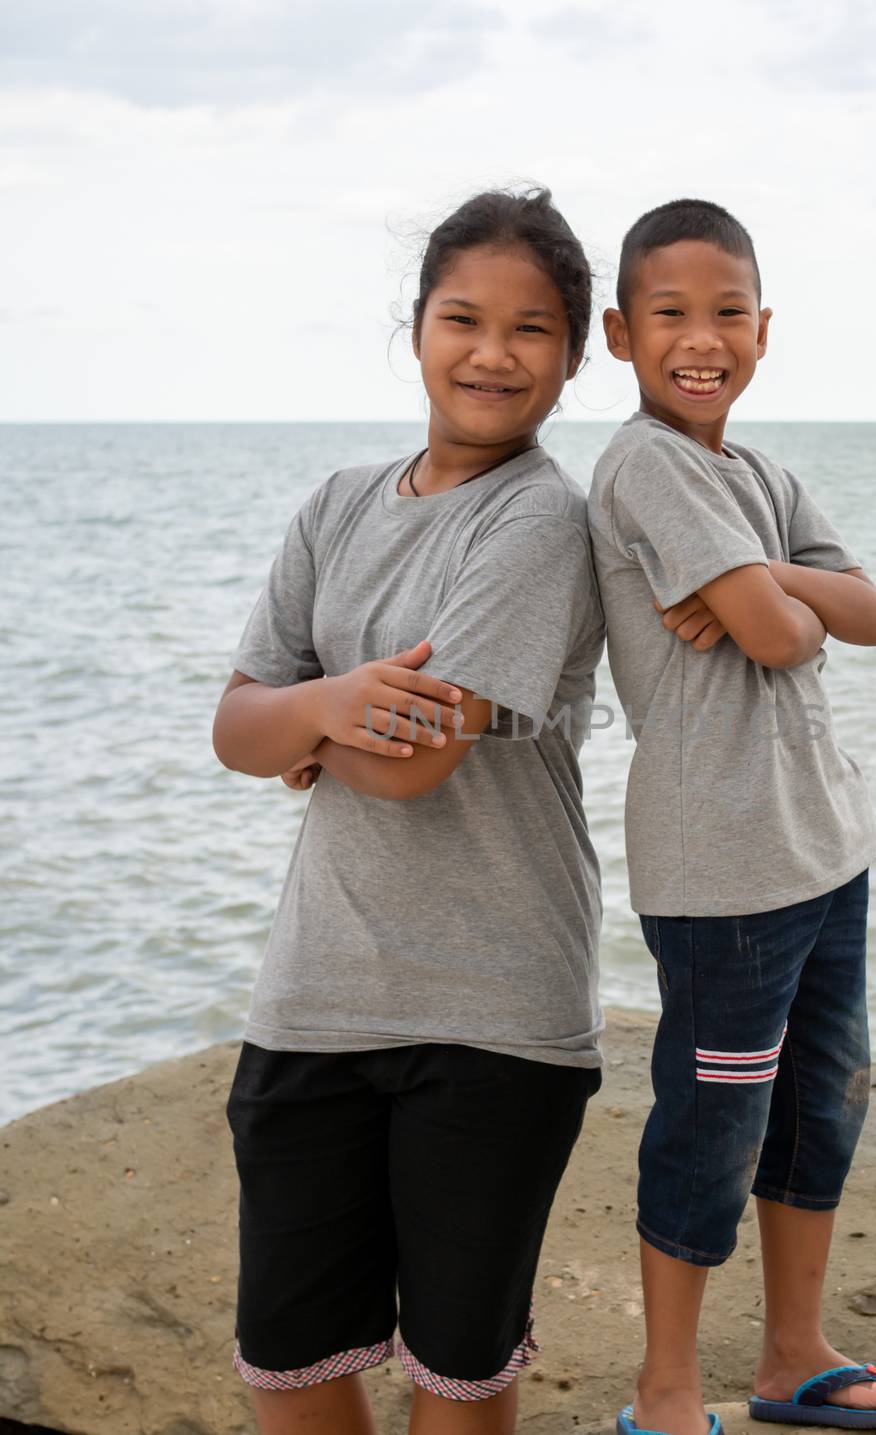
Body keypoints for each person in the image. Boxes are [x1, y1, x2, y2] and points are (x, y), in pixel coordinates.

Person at [211, 186, 605, 1435]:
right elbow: (233, 724)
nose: (492, 353)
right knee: (291, 1351)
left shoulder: (541, 520)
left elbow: (411, 764)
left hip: (494, 1012)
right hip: (316, 992)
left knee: (456, 1374)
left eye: (531, 330)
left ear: (574, 354)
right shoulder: (335, 506)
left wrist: (307, 728)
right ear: (418, 326)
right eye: (463, 318)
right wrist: (335, 702)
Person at [586, 199, 876, 1433]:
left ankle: (793, 1353)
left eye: (726, 312)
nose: (702, 337)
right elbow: (795, 636)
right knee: (711, 1117)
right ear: (621, 333)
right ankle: (665, 1391)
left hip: (824, 844)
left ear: (764, 328)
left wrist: (767, 574)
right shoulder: (644, 464)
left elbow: (867, 610)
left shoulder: (759, 474)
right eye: (670, 314)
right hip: (722, 867)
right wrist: (788, 597)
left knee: (820, 1101)